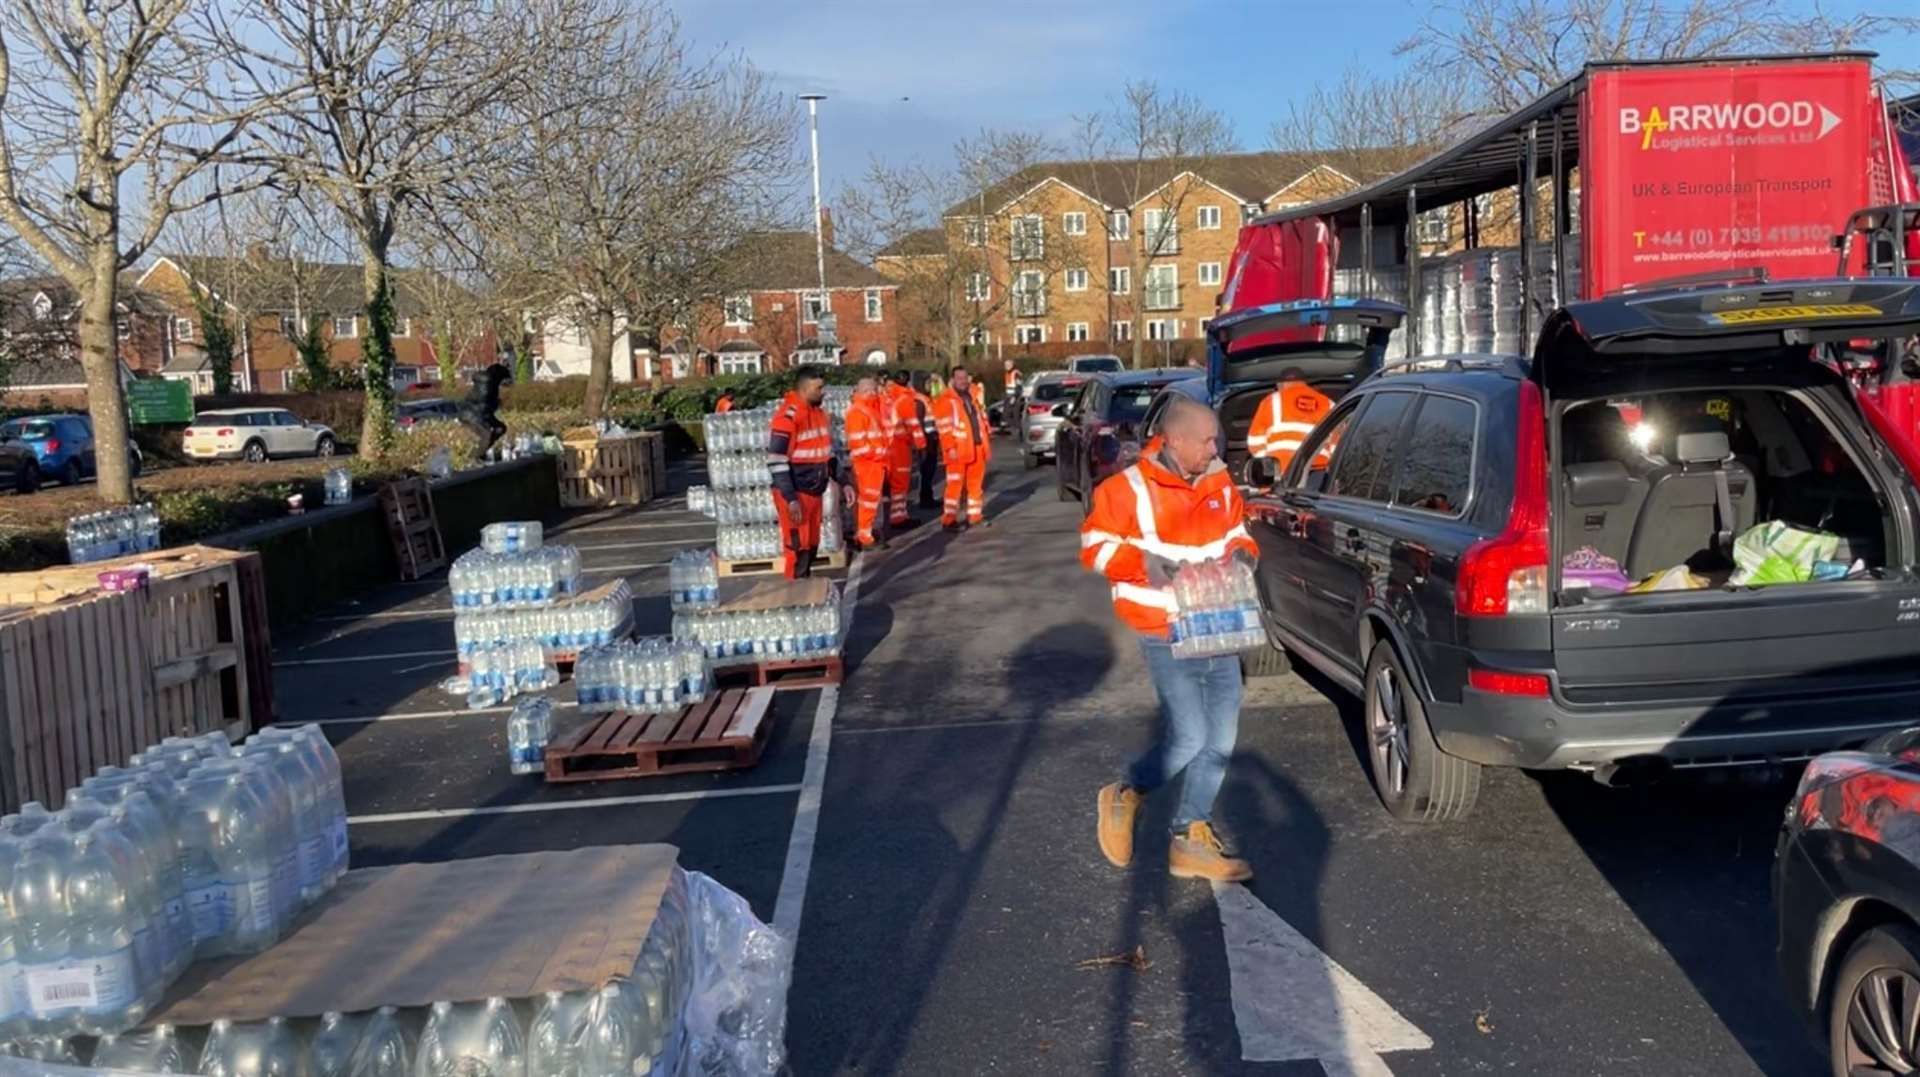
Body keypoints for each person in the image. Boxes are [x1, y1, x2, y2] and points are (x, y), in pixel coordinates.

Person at [1082, 396, 1259, 882]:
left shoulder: (1219, 481)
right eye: (1206, 440)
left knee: (1220, 741)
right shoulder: (1128, 489)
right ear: (1176, 440)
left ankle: (1189, 836)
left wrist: (1244, 555)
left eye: (1215, 440)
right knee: (1190, 737)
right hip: (1164, 630)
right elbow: (1095, 547)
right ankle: (1127, 792)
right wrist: (1144, 567)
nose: (1214, 448)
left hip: (1217, 624)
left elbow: (1238, 532)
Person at [767, 366, 833, 578]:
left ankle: (804, 589)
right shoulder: (787, 418)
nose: (823, 392)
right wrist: (790, 498)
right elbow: (776, 459)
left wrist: (843, 480)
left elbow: (827, 452)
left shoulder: (818, 414)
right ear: (805, 389)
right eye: (819, 388)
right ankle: (794, 596)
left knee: (811, 544)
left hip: (814, 489)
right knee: (797, 548)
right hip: (797, 491)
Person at [933, 365, 990, 530]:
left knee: (975, 486)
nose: (963, 381)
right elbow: (944, 428)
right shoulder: (945, 400)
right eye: (959, 378)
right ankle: (949, 520)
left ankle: (975, 516)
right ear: (952, 380)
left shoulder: (972, 396)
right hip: (958, 449)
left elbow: (980, 419)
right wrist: (950, 448)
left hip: (976, 447)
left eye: (965, 378)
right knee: (954, 487)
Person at [844, 377, 891, 550]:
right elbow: (858, 444)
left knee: (871, 502)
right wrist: (880, 453)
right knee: (867, 502)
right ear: (861, 391)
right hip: (867, 464)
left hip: (874, 464)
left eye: (874, 390)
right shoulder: (858, 412)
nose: (873, 393)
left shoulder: (869, 409)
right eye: (869, 390)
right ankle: (864, 536)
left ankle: (867, 533)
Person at [1245, 381, 1333, 471]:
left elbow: (1254, 441)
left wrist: (1268, 463)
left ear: (1280, 383)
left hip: (1281, 470)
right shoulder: (1329, 404)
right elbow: (1338, 444)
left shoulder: (1272, 400)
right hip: (1318, 472)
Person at [908, 371, 941, 510]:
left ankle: (928, 497)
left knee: (930, 470)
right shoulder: (919, 401)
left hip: (930, 437)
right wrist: (921, 443)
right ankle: (925, 499)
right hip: (926, 440)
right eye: (927, 382)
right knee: (926, 470)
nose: (929, 385)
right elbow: (919, 423)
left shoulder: (925, 398)